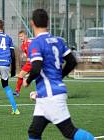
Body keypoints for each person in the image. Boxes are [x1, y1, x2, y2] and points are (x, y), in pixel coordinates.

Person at [23, 9, 94, 140]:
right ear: (48, 23)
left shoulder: (36, 43)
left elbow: (36, 68)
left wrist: (27, 80)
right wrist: (58, 77)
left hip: (50, 95)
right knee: (34, 132)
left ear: (32, 23)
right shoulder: (58, 40)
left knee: (69, 131)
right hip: (48, 94)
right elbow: (72, 61)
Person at [13, 30, 32, 97]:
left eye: (22, 36)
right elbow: (26, 54)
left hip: (35, 63)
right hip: (29, 63)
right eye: (19, 36)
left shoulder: (30, 42)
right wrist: (24, 55)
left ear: (25, 35)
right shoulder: (22, 45)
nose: (21, 38)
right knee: (20, 75)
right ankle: (17, 92)